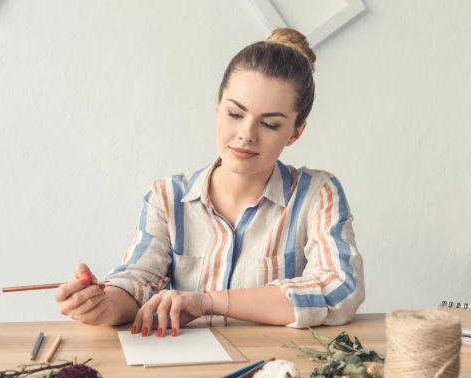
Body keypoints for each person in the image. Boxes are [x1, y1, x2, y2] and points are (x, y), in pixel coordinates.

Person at [54, 28, 364, 336]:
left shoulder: (317, 194)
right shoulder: (167, 197)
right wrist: (103, 305)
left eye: (270, 124)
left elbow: (339, 289)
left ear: (295, 132)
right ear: (217, 107)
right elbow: (137, 280)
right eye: (234, 113)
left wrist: (207, 302)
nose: (246, 134)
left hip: (277, 372)